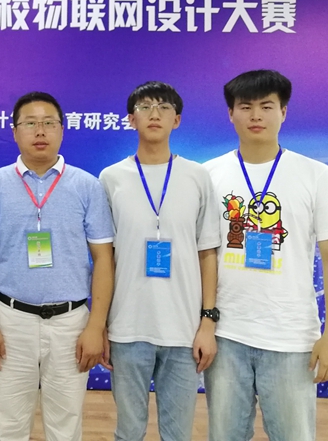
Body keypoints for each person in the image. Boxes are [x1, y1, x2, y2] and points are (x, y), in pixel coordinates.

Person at [203, 69, 328, 441]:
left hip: (292, 338)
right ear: (231, 114)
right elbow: (202, 256)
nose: (256, 115)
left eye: (266, 106)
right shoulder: (208, 175)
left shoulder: (316, 175)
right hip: (226, 336)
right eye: (245, 106)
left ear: (283, 112)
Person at [0, 91, 114, 441]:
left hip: (70, 324)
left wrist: (96, 326)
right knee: (9, 427)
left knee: (66, 428)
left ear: (62, 130)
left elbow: (103, 258)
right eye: (30, 123)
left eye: (49, 123)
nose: (40, 131)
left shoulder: (87, 186)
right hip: (10, 320)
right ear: (14, 131)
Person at [99, 82, 220, 441]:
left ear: (177, 120)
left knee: (177, 434)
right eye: (145, 107)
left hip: (183, 329)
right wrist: (100, 324)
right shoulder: (111, 178)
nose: (154, 114)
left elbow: (207, 252)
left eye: (164, 107)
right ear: (131, 119)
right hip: (127, 327)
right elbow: (105, 258)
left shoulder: (197, 176)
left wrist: (207, 322)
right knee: (128, 431)